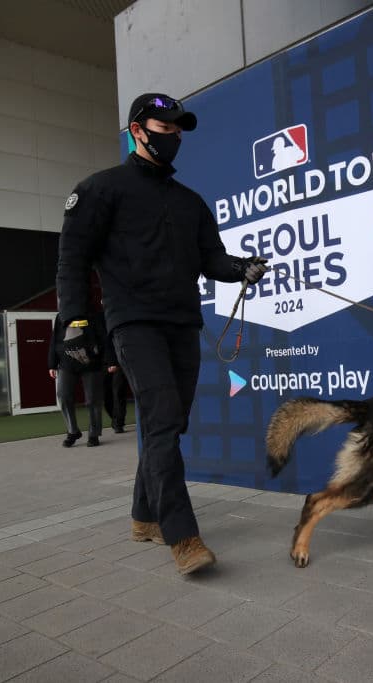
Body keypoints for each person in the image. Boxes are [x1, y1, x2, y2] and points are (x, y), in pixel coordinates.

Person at [55, 93, 268, 575]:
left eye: (177, 131)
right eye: (164, 128)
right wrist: (75, 321)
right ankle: (182, 535)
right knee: (164, 418)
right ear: (137, 130)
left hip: (183, 323)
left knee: (165, 424)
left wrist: (241, 268)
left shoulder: (190, 202)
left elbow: (212, 259)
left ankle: (144, 517)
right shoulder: (99, 189)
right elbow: (72, 259)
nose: (173, 138)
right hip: (133, 322)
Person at [48, 312, 106, 447]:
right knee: (63, 395)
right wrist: (52, 363)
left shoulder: (94, 314)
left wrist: (109, 360)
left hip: (92, 363)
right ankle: (73, 431)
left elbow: (104, 337)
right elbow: (55, 339)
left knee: (93, 399)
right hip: (66, 363)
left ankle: (94, 434)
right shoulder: (61, 315)